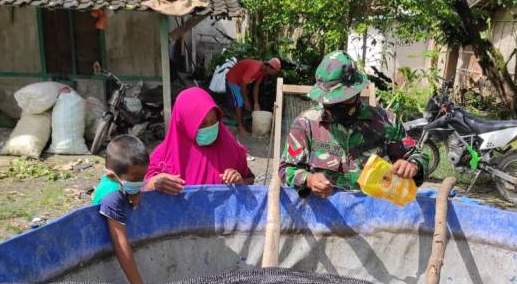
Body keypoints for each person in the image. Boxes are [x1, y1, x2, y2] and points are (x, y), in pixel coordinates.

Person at [279, 51, 427, 198]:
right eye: (329, 100)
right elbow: (286, 169)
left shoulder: (386, 122)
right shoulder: (306, 125)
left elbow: (419, 155)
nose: (334, 104)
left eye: (341, 98)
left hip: (374, 214)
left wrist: (413, 166)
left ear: (356, 93)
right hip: (323, 213)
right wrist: (309, 179)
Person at [145, 87, 254, 193]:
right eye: (202, 124)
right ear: (184, 124)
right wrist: (155, 183)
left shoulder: (231, 148)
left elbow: (249, 180)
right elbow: (141, 187)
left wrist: (239, 182)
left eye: (214, 120)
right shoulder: (163, 155)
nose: (210, 127)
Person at [99, 135, 149, 284]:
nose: (140, 183)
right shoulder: (112, 197)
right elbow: (120, 241)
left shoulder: (118, 184)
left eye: (143, 177)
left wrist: (134, 191)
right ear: (110, 173)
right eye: (135, 179)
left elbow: (133, 187)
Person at [225, 57, 281, 137]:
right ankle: (240, 128)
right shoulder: (255, 67)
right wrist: (246, 101)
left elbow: (256, 86)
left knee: (243, 100)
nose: (273, 74)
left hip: (240, 82)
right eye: (274, 71)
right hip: (233, 79)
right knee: (240, 101)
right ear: (269, 67)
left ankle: (241, 123)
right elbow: (243, 86)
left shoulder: (263, 71)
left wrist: (256, 103)